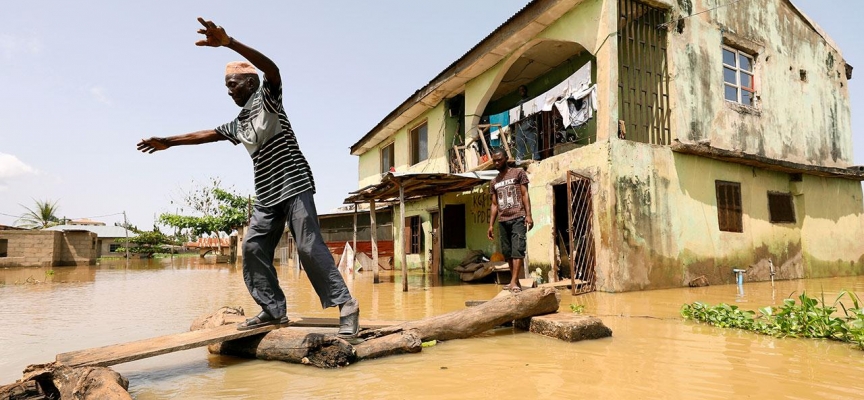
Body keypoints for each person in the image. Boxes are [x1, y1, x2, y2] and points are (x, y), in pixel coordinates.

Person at [136, 18, 359, 336]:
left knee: (308, 246)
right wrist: (169, 141)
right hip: (267, 194)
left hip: (294, 183)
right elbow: (208, 133)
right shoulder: (239, 123)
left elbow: (273, 69)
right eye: (226, 87)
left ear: (250, 83)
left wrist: (229, 43)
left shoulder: (268, 99)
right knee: (253, 248)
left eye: (232, 85)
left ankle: (347, 305)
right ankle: (273, 310)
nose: (228, 92)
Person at [487, 147, 533, 293]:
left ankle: (513, 281)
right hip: (502, 220)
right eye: (494, 160)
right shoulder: (494, 182)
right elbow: (494, 204)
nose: (497, 162)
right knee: (507, 252)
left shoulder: (518, 173)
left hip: (518, 217)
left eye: (499, 159)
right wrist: (490, 225)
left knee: (517, 250)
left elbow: (525, 194)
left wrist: (529, 215)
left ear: (506, 158)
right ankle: (516, 282)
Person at [514, 85, 539, 162]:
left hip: (530, 122)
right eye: (520, 90)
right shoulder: (518, 103)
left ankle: (536, 158)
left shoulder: (531, 99)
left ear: (526, 90)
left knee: (532, 142)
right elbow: (516, 115)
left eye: (523, 89)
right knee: (519, 142)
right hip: (521, 124)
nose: (522, 91)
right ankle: (518, 160)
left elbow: (535, 109)